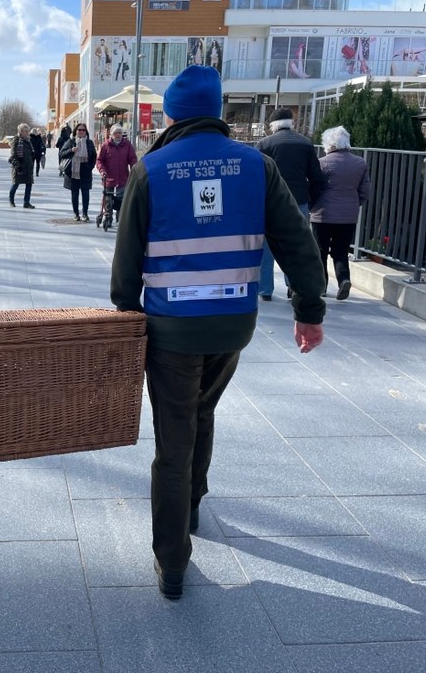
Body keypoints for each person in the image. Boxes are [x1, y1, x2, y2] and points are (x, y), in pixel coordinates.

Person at [110, 65, 326, 601]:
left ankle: (172, 559)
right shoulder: (257, 165)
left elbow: (126, 262)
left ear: (172, 114)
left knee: (173, 436)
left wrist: (124, 316)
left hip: (171, 328)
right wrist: (309, 309)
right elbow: (297, 240)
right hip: (234, 323)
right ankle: (195, 503)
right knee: (203, 409)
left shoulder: (152, 168)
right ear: (218, 111)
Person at [256, 107, 324, 300]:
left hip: (269, 201)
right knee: (295, 246)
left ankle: (266, 290)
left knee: (267, 248)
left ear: (272, 126)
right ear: (290, 123)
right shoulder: (306, 144)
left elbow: (256, 176)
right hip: (299, 200)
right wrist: (311, 199)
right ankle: (293, 286)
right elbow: (316, 177)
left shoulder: (264, 144)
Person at [310, 126, 371, 300]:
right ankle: (344, 279)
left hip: (322, 214)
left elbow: (314, 187)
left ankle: (321, 286)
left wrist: (312, 206)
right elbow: (365, 190)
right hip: (348, 215)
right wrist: (355, 203)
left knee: (320, 251)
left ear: (328, 144)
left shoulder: (322, 163)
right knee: (341, 250)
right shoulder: (360, 163)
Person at [96, 123, 137, 226]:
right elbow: (100, 160)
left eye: (119, 133)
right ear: (111, 135)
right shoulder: (106, 145)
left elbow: (132, 158)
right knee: (108, 199)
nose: (118, 135)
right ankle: (108, 217)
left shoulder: (127, 145)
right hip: (109, 177)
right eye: (116, 133)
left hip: (123, 176)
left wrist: (134, 168)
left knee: (121, 199)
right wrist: (102, 171)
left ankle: (120, 218)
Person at [59, 123, 97, 222]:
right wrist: (71, 150)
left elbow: (94, 156)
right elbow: (61, 153)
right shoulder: (70, 141)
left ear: (86, 132)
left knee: (85, 193)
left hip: (85, 171)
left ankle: (85, 213)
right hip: (73, 172)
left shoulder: (89, 143)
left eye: (83, 130)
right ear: (76, 131)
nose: (81, 131)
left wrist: (90, 167)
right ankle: (76, 213)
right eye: (79, 130)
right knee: (75, 194)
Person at [8, 123, 35, 208]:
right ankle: (11, 201)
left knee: (29, 184)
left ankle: (26, 202)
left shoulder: (28, 141)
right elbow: (13, 156)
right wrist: (18, 166)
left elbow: (31, 153)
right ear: (20, 131)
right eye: (25, 131)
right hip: (19, 167)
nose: (27, 133)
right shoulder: (16, 141)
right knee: (15, 184)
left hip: (28, 166)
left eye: (27, 131)